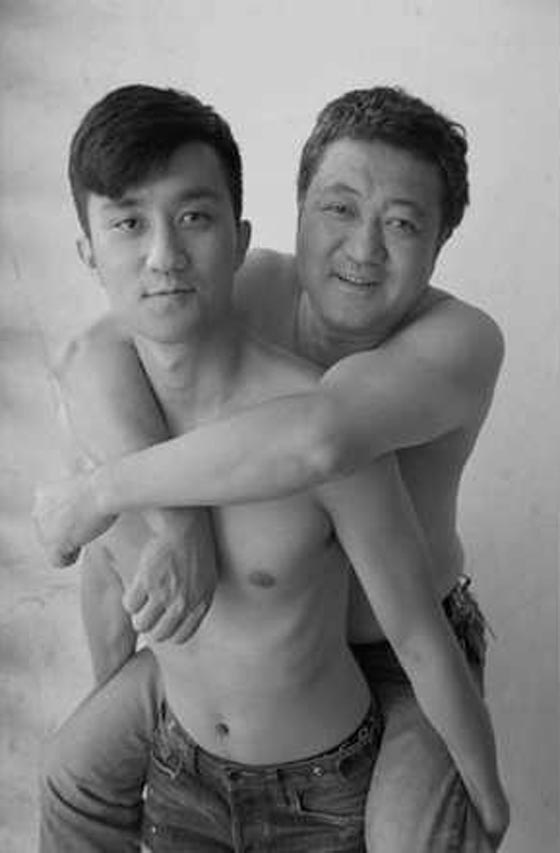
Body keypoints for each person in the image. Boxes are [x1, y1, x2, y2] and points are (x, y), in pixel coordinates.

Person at [35, 85, 509, 851]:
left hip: (402, 651)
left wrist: (100, 492)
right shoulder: (235, 276)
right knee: (69, 771)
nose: (362, 249)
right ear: (297, 209)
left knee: (413, 839)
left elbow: (323, 435)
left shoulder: (463, 339)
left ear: (441, 238)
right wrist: (177, 526)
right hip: (251, 638)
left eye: (402, 223)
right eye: (339, 208)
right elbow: (92, 352)